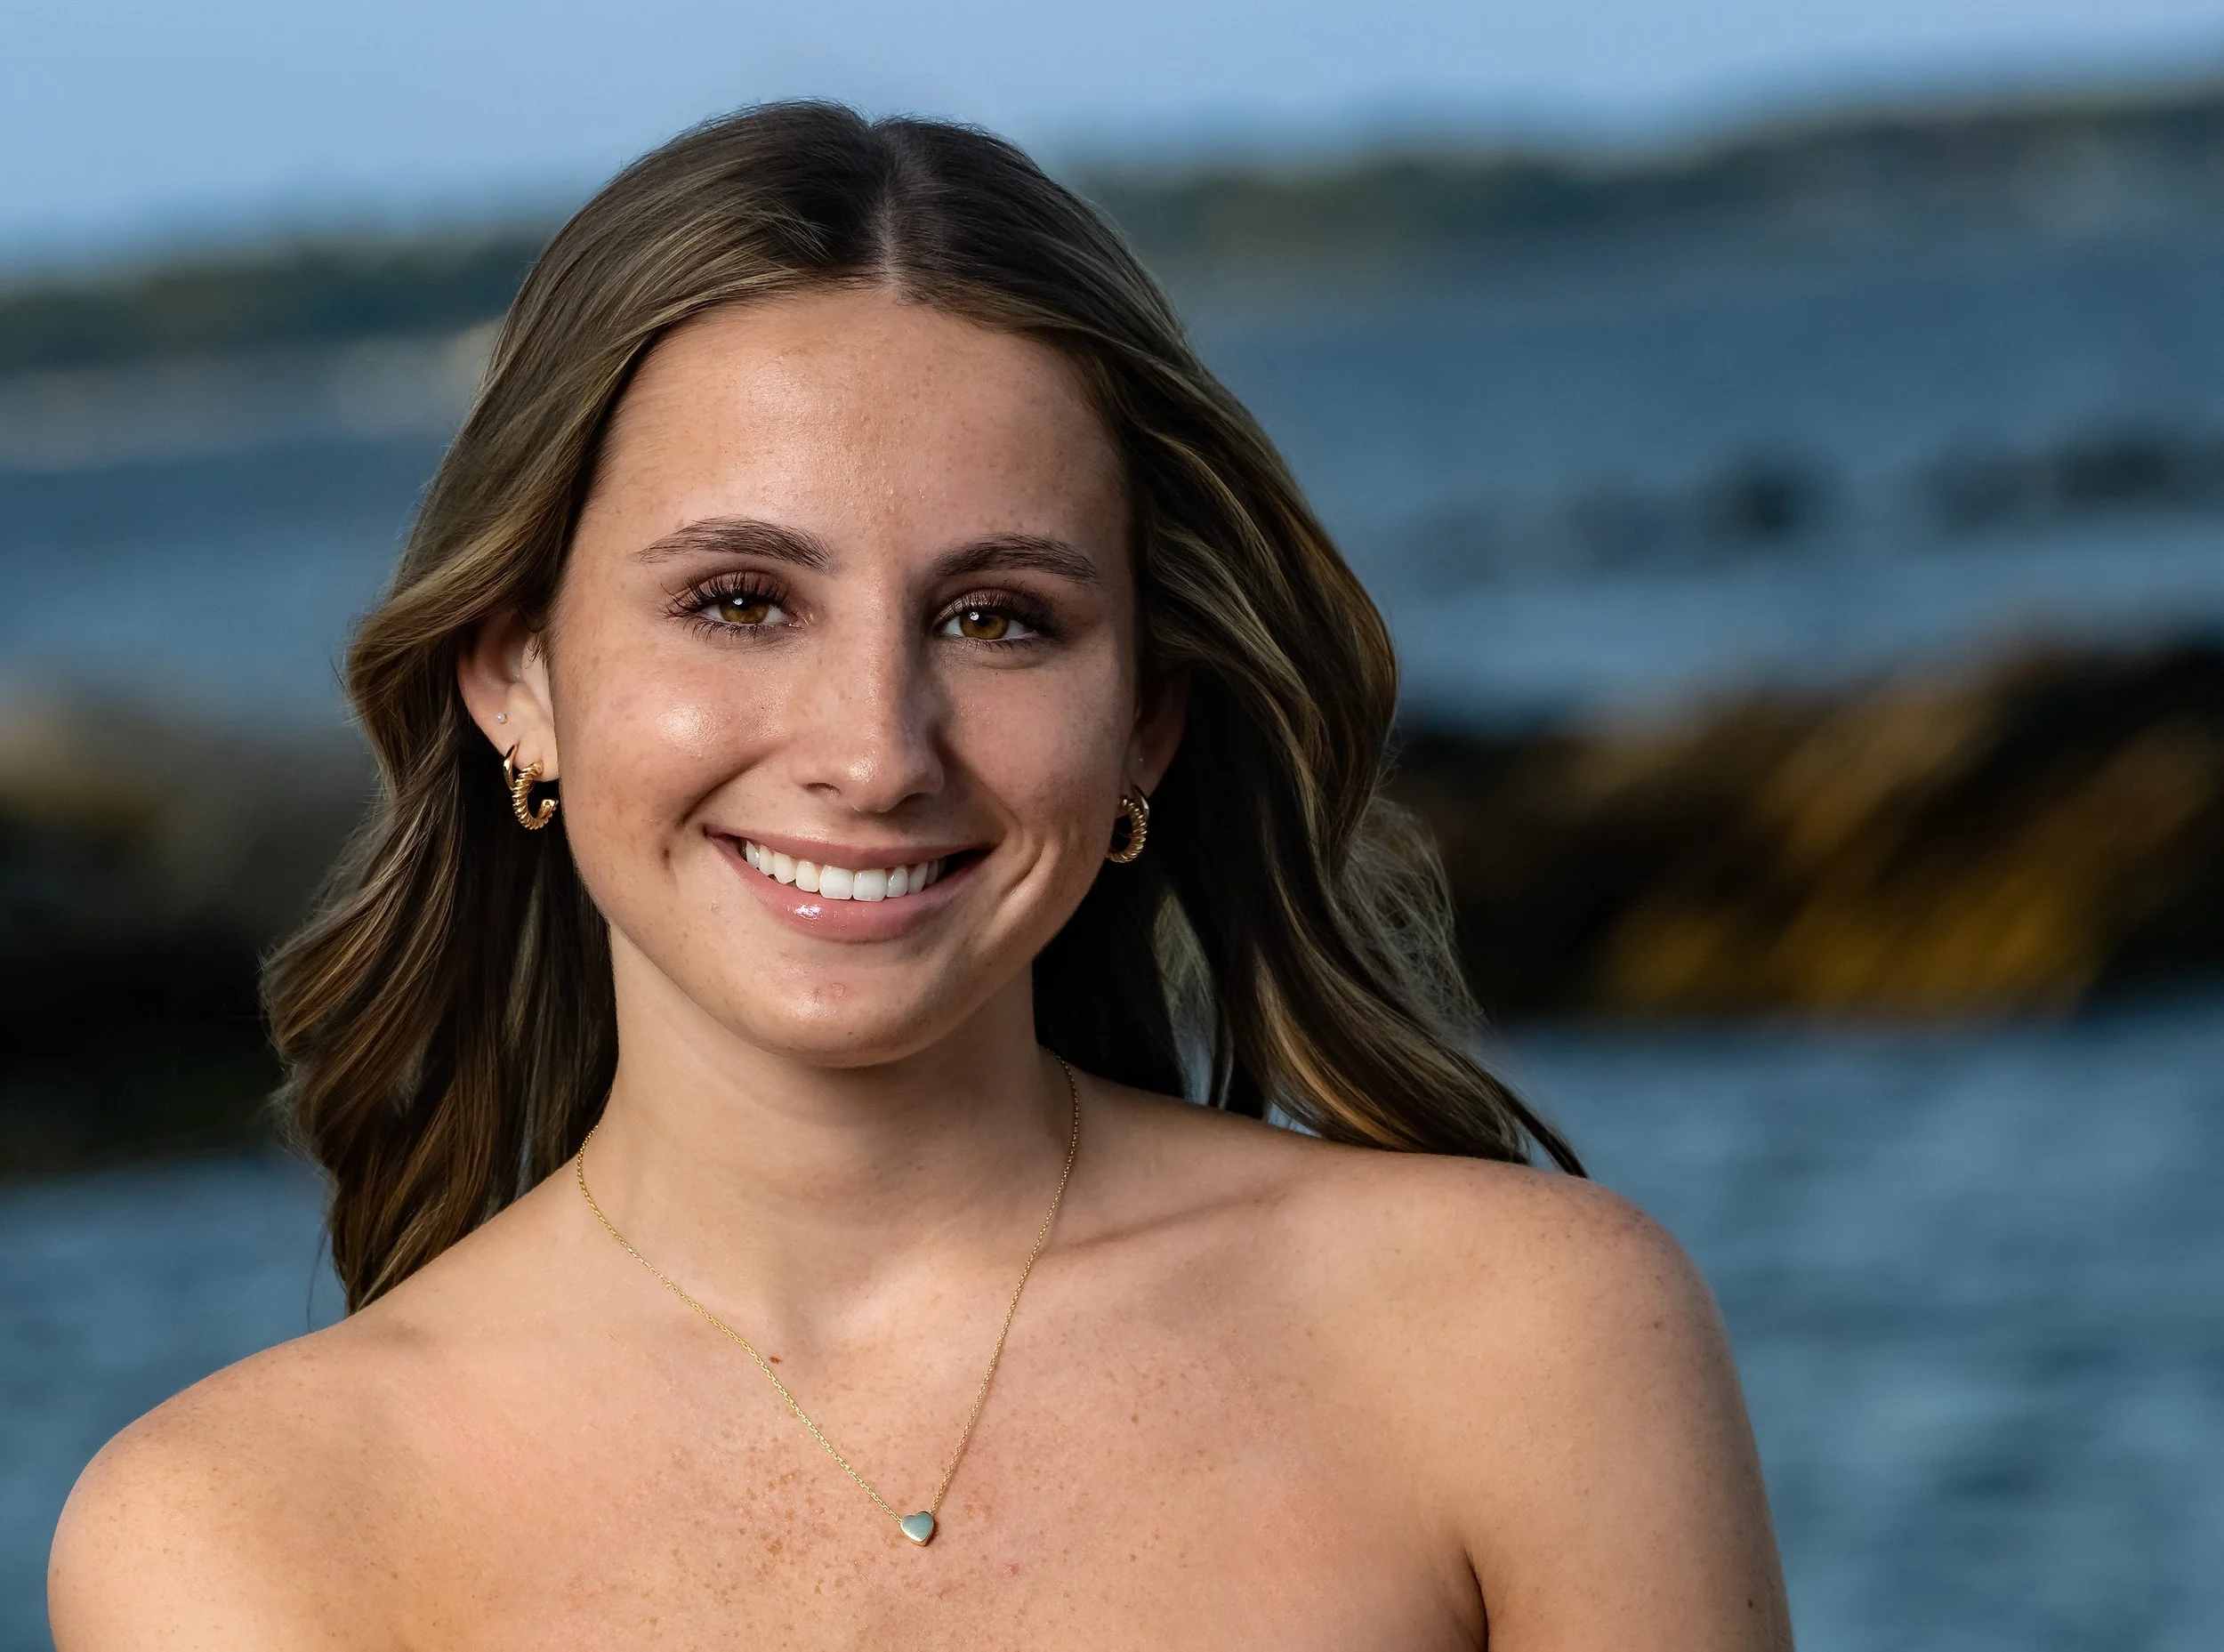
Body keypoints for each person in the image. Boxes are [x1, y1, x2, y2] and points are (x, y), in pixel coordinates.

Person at [48, 103, 1792, 1648]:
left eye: (997, 617)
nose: (875, 750)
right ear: (516, 675)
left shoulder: (1524, 1339)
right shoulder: (242, 1531)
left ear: (1145, 727)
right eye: (740, 601)